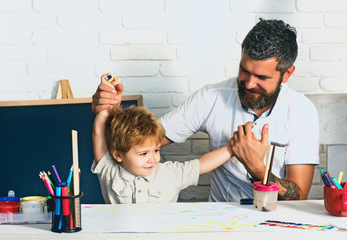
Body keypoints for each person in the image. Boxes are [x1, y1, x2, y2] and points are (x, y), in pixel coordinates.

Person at [91, 18, 319, 202]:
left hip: (275, 219)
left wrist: (258, 169)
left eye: (261, 77)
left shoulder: (301, 111)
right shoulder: (211, 97)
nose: (249, 84)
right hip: (221, 220)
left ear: (286, 74)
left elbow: (299, 195)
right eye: (244, 70)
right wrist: (110, 112)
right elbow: (143, 142)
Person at [92, 104, 233, 203]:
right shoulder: (109, 171)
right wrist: (110, 101)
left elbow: (201, 165)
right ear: (118, 155)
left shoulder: (169, 173)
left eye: (156, 150)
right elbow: (99, 131)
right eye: (143, 154)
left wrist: (232, 148)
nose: (152, 159)